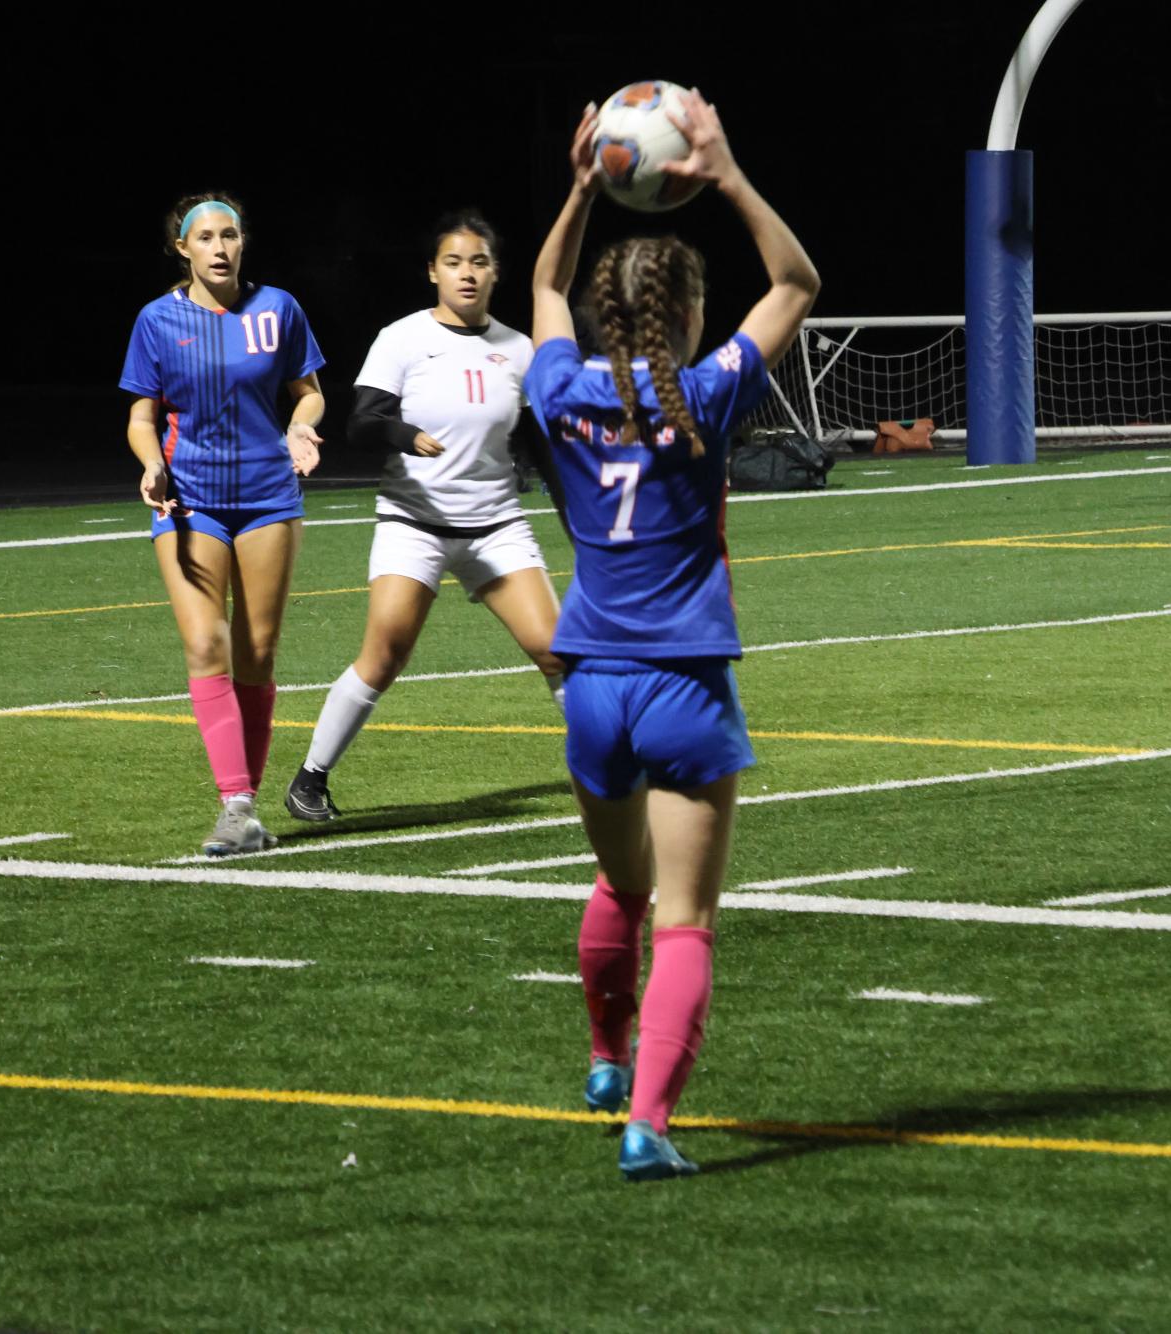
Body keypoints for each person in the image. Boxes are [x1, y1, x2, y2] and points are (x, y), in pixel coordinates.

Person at [526, 91, 819, 1181]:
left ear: (606, 316)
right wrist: (729, 174)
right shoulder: (704, 393)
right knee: (687, 918)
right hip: (686, 686)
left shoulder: (557, 390)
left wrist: (582, 182)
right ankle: (648, 1122)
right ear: (690, 316)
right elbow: (797, 283)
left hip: (590, 681)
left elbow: (545, 283)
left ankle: (606, 1056)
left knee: (622, 888)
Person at [284, 211, 559, 821]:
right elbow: (360, 423)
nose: (467, 273)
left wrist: (579, 520)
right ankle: (310, 778)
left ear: (496, 274)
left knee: (557, 651)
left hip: (496, 526)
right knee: (385, 653)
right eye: (454, 262)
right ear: (433, 271)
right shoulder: (403, 337)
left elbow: (541, 444)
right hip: (414, 524)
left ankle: (609, 765)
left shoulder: (519, 349)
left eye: (479, 262)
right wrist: (405, 434)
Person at [120, 192, 325, 857]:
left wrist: (301, 427)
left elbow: (310, 390)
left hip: (268, 496)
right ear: (182, 248)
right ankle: (235, 807)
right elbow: (141, 416)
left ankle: (249, 809)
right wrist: (152, 465)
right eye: (204, 236)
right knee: (206, 646)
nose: (219, 246)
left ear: (243, 242)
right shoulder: (157, 320)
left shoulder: (278, 309)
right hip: (191, 501)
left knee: (256, 654)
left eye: (229, 234)